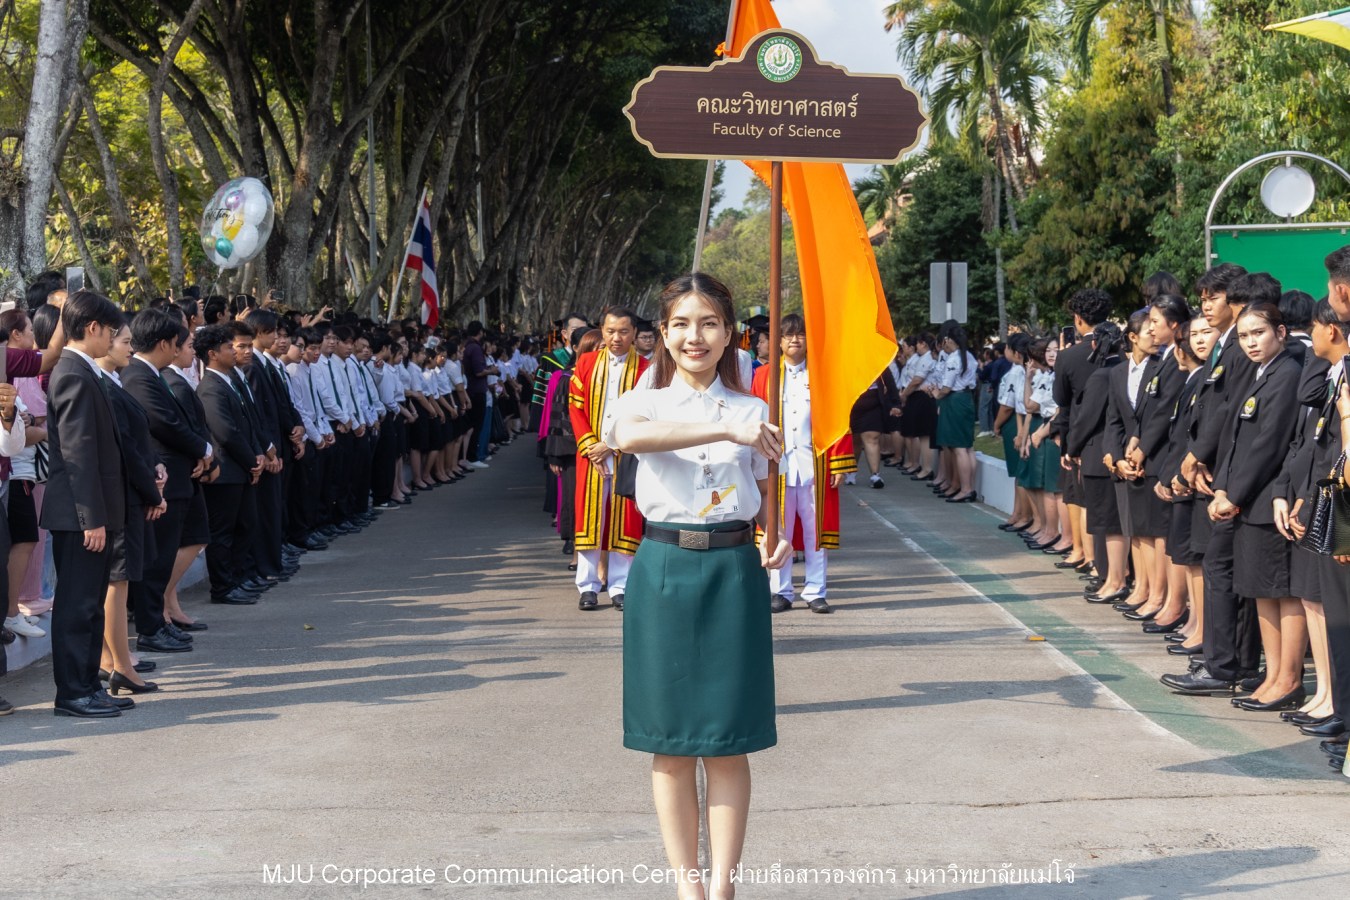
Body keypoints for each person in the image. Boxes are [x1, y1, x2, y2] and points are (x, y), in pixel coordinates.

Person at [607, 272, 790, 900]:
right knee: (672, 744)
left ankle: (722, 888)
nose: (695, 337)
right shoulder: (642, 400)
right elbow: (631, 439)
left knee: (729, 742)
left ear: (729, 333)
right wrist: (723, 431)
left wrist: (773, 535)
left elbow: (764, 488)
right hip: (663, 569)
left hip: (734, 572)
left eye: (709, 323)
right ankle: (687, 887)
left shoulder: (755, 409)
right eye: (682, 324)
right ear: (663, 334)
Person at [1210, 303, 1305, 711]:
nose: (1250, 342)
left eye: (1258, 333)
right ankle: (1272, 675)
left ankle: (1289, 679)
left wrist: (1233, 494)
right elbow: (1234, 439)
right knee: (1261, 591)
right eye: (1244, 336)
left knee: (1283, 592)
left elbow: (1269, 445)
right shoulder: (1261, 372)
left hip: (1269, 499)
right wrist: (1222, 487)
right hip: (1250, 501)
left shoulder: (1287, 374)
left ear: (1280, 332)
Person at [41, 290, 128, 718]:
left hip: (90, 512)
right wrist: (90, 517)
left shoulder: (82, 369)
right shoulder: (73, 373)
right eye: (110, 330)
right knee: (76, 605)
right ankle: (72, 693)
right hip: (79, 515)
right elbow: (78, 455)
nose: (113, 338)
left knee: (90, 604)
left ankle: (88, 685)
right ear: (92, 328)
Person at [752, 314, 855, 614]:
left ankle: (815, 591)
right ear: (778, 341)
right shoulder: (764, 375)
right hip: (777, 466)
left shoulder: (823, 375)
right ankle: (780, 590)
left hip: (814, 465)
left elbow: (838, 420)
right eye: (787, 335)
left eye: (800, 334)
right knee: (777, 529)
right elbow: (753, 418)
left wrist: (838, 463)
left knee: (815, 533)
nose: (794, 339)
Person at [568, 307, 649, 611]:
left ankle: (620, 586)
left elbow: (646, 415)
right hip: (590, 457)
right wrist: (592, 446)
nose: (617, 338)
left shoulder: (646, 370)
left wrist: (610, 446)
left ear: (634, 333)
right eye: (611, 331)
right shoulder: (586, 363)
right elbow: (575, 407)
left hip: (627, 455)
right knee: (591, 519)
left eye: (624, 331)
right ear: (602, 331)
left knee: (625, 520)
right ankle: (588, 586)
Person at [931, 325, 979, 502]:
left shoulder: (953, 359)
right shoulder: (969, 356)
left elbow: (946, 387)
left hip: (955, 400)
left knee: (959, 447)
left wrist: (936, 394)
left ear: (949, 340)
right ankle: (967, 486)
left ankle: (965, 489)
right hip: (966, 398)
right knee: (967, 447)